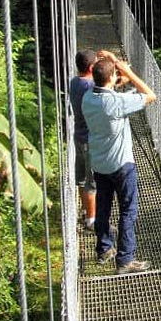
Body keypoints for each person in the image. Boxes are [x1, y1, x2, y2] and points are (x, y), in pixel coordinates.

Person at [79, 49, 157, 274]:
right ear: (112, 78)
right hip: (122, 166)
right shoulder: (118, 103)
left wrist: (114, 67)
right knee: (128, 211)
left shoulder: (88, 97)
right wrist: (127, 71)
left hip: (99, 163)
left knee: (103, 208)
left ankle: (104, 249)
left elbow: (108, 87)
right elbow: (150, 95)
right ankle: (125, 260)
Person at [68, 49, 98, 230]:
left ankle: (86, 213)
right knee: (92, 182)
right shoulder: (90, 87)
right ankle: (92, 220)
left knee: (81, 179)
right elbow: (103, 90)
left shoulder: (74, 82)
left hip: (78, 136)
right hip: (90, 140)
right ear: (92, 67)